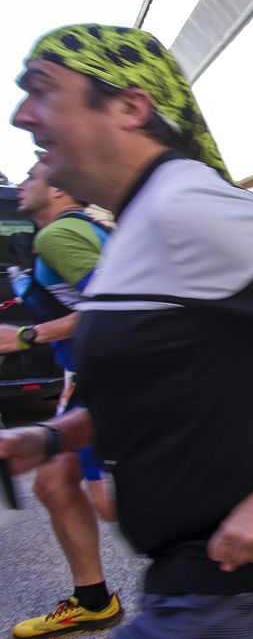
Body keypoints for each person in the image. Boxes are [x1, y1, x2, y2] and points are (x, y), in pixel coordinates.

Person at [1, 24, 253, 638]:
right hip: (204, 572)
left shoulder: (189, 204)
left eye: (43, 89)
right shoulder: (137, 221)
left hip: (236, 577)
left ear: (130, 106)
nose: (20, 114)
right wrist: (52, 437)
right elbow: (166, 383)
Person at [0, 162, 120, 638]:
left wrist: (26, 336)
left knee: (111, 501)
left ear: (60, 190)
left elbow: (115, 305)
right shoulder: (79, 230)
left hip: (106, 377)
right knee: (53, 483)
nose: (23, 185)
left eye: (32, 178)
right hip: (88, 375)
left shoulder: (59, 238)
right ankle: (93, 601)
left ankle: (237, 570)